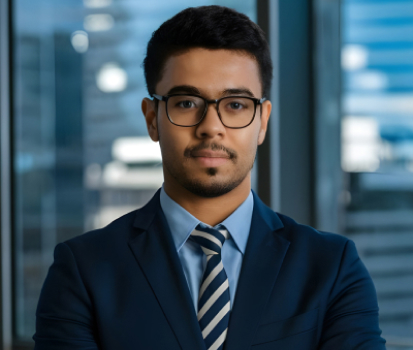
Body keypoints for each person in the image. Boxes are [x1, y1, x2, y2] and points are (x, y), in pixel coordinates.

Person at [33, 5, 386, 350]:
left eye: (235, 105)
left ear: (262, 121)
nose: (211, 128)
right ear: (152, 118)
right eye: (187, 103)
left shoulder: (331, 266)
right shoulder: (83, 270)